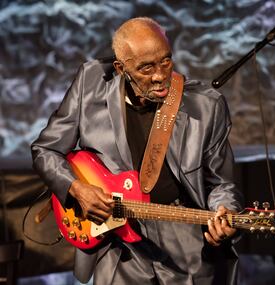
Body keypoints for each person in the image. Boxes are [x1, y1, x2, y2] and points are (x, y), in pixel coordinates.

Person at [31, 17, 244, 285]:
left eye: (165, 61)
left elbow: (222, 183)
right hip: (117, 243)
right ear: (121, 68)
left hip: (185, 242)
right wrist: (75, 188)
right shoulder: (91, 83)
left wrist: (225, 212)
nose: (159, 75)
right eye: (146, 68)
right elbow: (46, 150)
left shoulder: (207, 106)